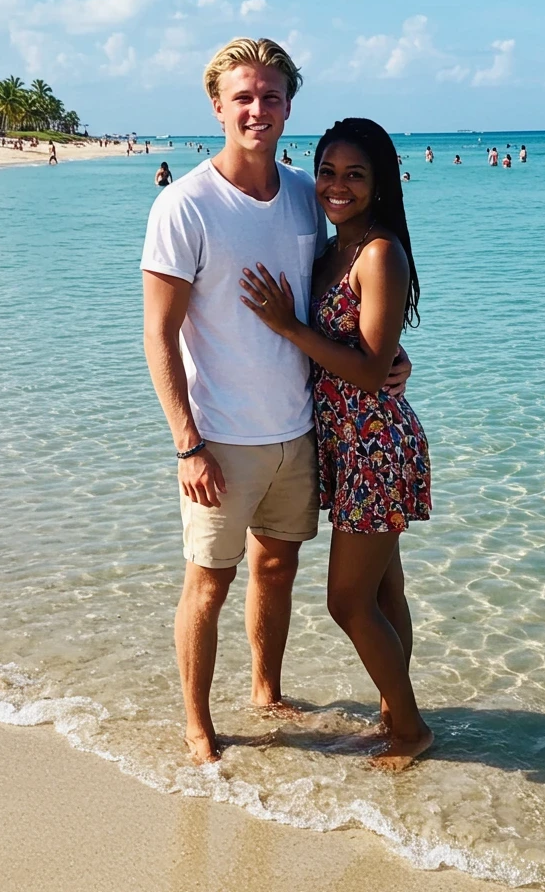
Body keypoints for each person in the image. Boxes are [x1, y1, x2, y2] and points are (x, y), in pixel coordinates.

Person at [141, 37, 411, 765]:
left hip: (301, 431)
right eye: (243, 97)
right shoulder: (183, 205)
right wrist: (186, 442)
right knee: (207, 584)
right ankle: (198, 724)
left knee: (276, 569)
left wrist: (388, 360)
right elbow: (158, 335)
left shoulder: (303, 192)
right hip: (220, 439)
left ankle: (266, 690)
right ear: (217, 106)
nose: (257, 110)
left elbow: (346, 290)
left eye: (271, 96)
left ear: (289, 105)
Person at [239, 118, 432, 770]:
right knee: (382, 594)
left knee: (347, 602)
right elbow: (368, 353)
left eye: (355, 174)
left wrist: (287, 326)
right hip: (345, 445)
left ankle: (409, 729)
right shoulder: (329, 252)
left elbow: (373, 370)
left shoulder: (378, 253)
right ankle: (393, 710)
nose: (337, 186)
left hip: (377, 445)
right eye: (327, 172)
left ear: (379, 183)